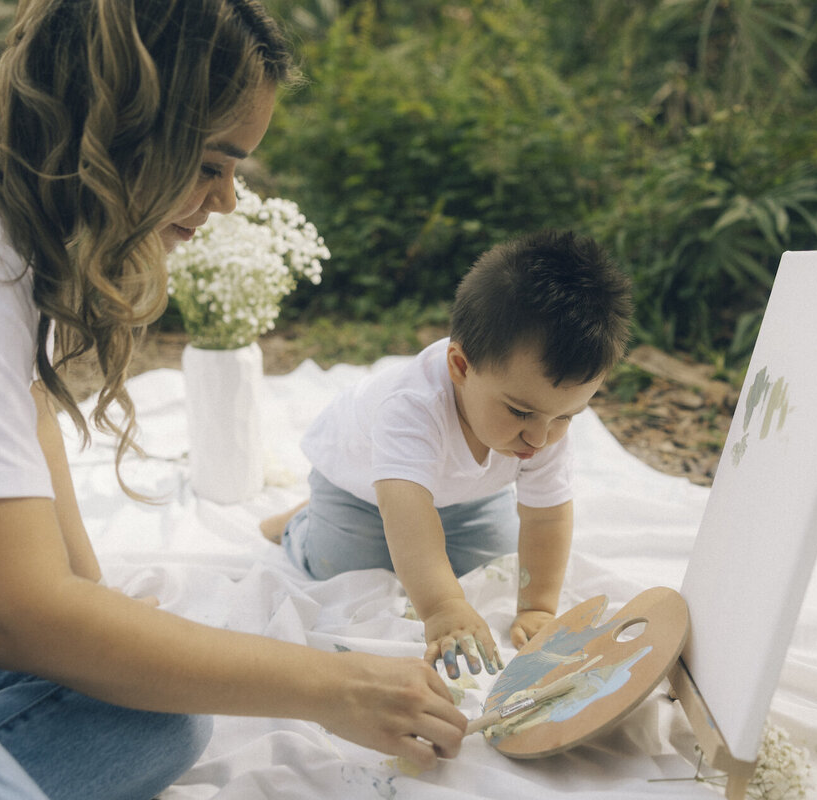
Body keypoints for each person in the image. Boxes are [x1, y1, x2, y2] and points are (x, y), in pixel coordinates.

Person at [0, 1, 466, 797]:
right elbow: (14, 613)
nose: (226, 200)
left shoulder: (8, 183)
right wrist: (333, 687)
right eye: (210, 165)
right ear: (120, 126)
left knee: (151, 709)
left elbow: (22, 403)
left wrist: (87, 597)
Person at [262, 230, 634, 680]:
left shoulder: (544, 420)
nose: (539, 438)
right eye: (520, 411)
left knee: (493, 560)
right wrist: (443, 607)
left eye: (567, 416)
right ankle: (300, 524)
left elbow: (548, 516)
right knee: (343, 566)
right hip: (362, 489)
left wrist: (537, 606)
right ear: (459, 367)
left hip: (461, 494)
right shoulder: (412, 407)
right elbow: (407, 513)